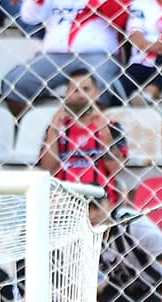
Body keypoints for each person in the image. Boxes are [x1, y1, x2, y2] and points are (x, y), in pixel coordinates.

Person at [5, 0, 126, 117]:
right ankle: (41, 130)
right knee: (14, 83)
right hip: (55, 55)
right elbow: (29, 18)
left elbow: (122, 18)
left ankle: (94, 133)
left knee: (100, 85)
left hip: (98, 55)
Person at [38, 69, 127, 203]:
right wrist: (53, 129)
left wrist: (104, 130)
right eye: (75, 90)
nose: (81, 95)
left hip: (99, 199)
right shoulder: (56, 128)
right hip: (62, 198)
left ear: (96, 93)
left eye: (86, 89)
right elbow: (47, 169)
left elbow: (115, 168)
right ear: (66, 94)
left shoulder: (112, 126)